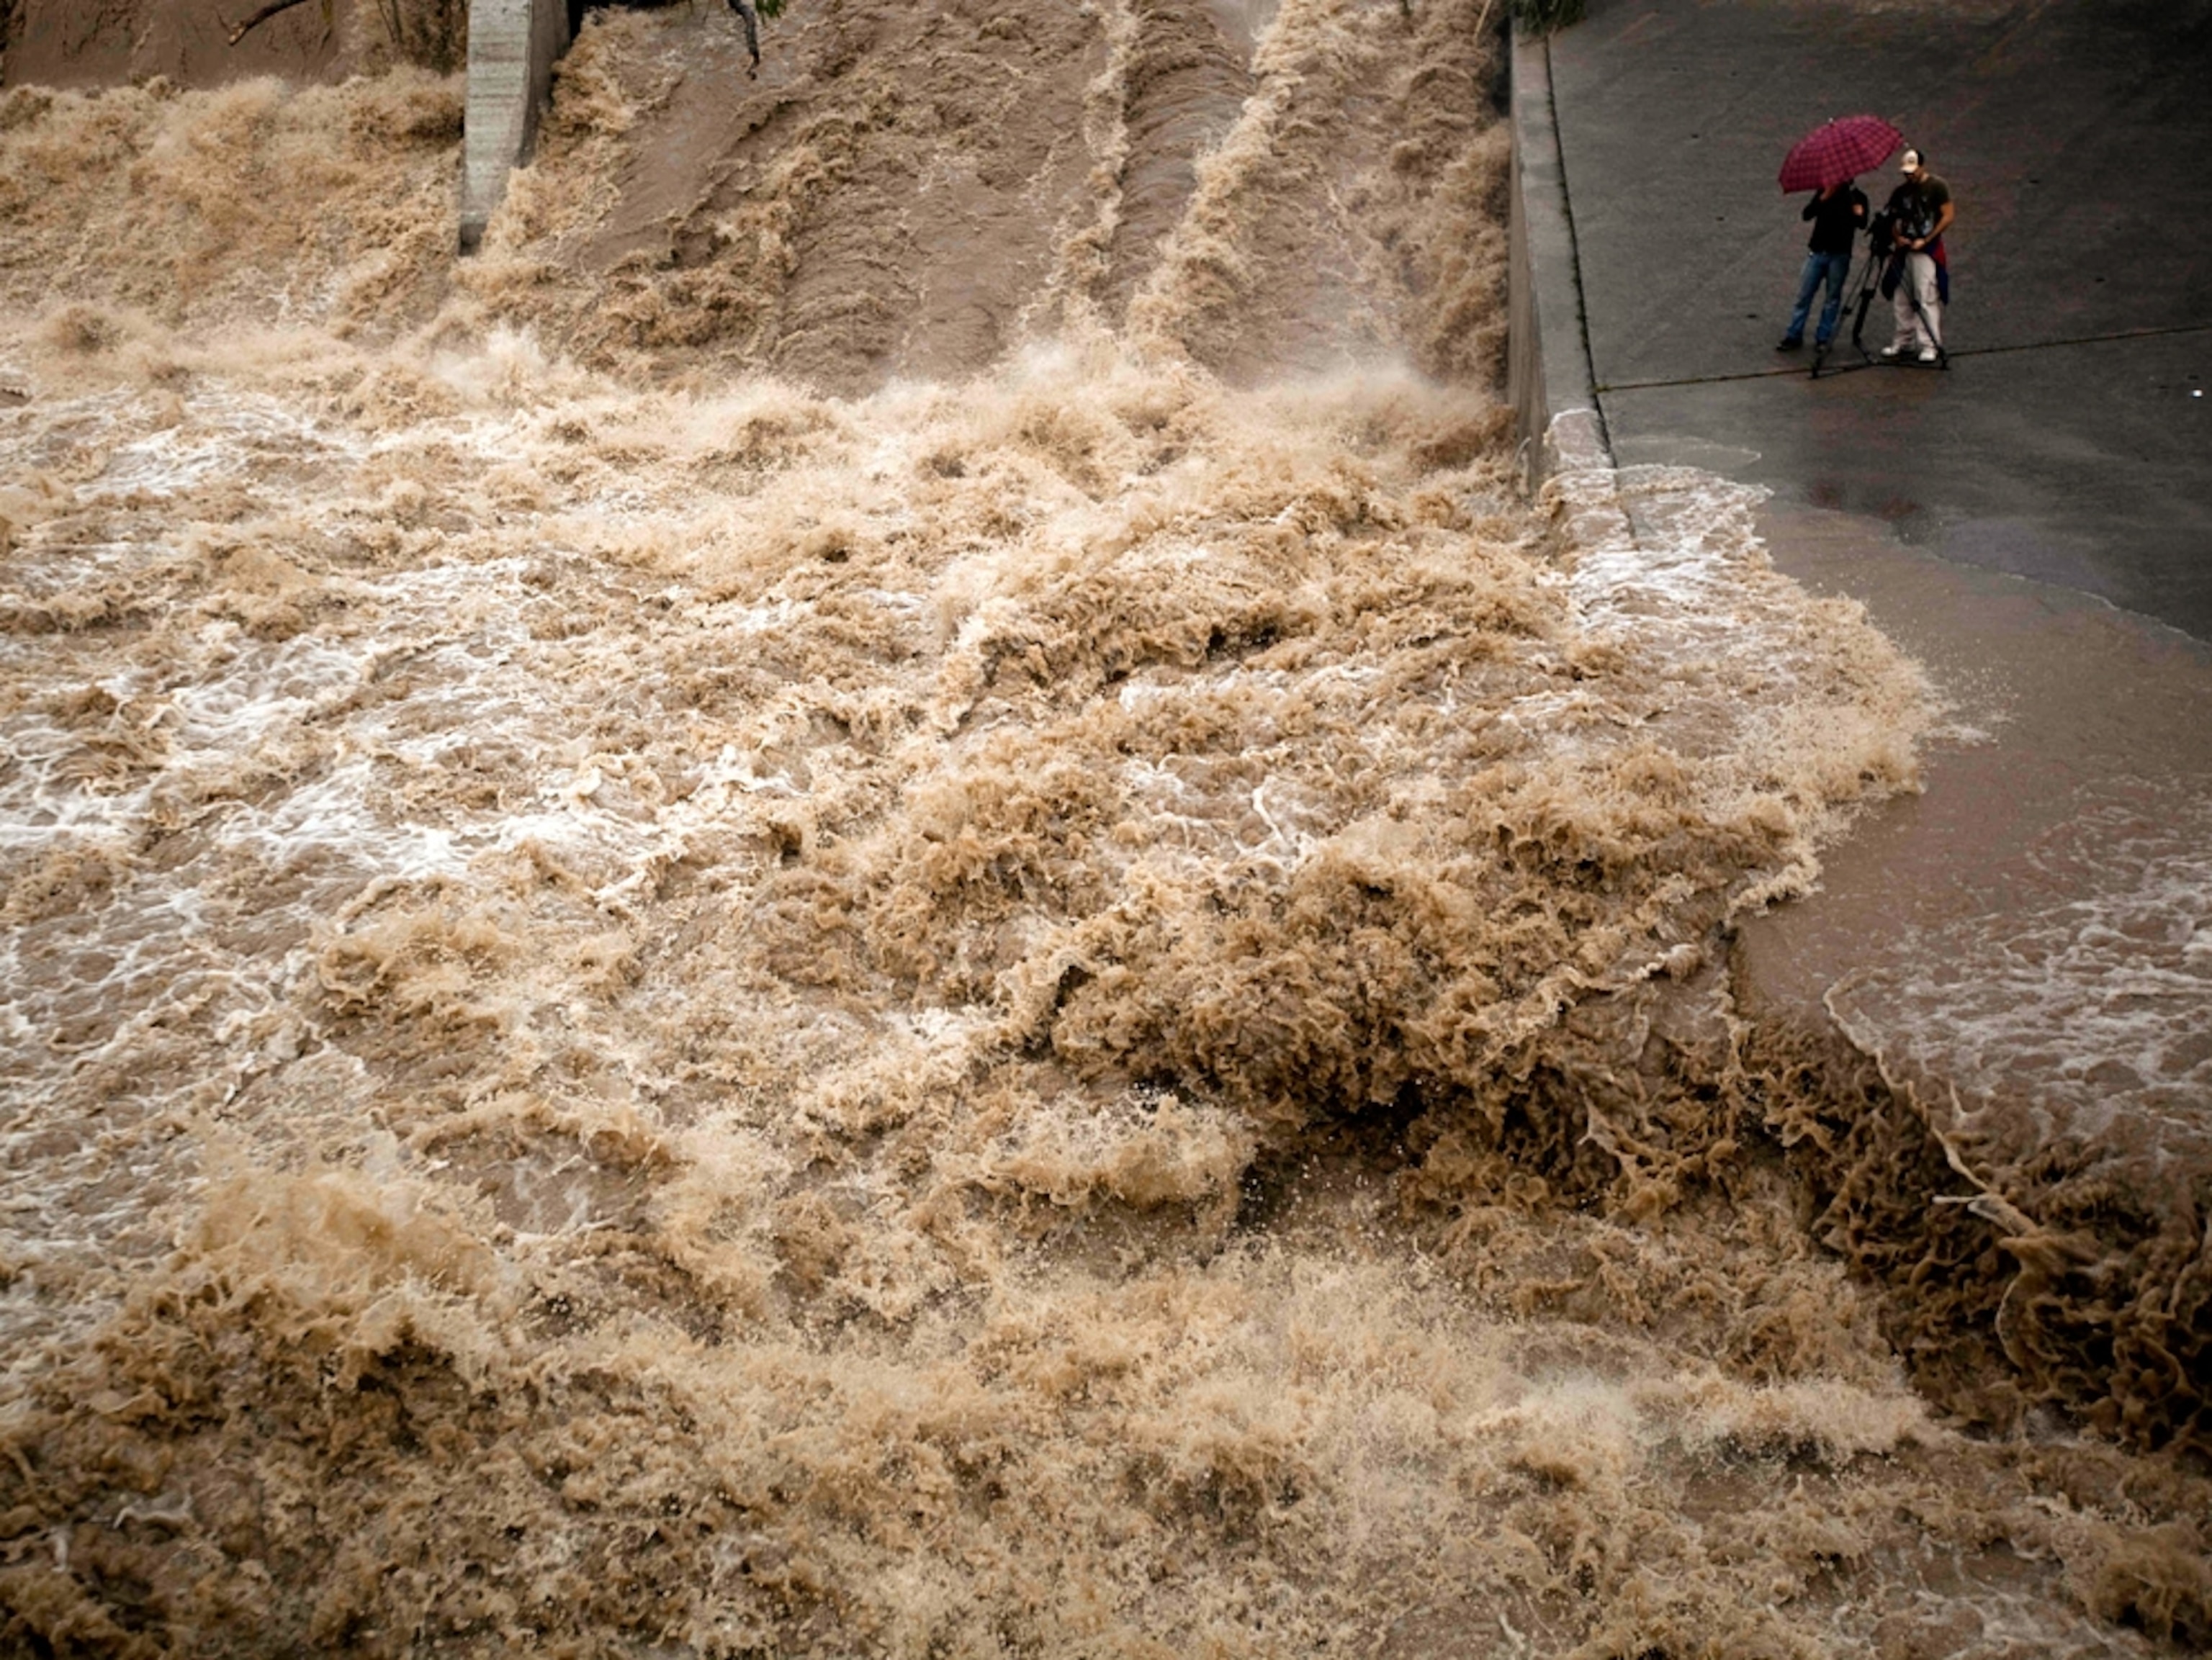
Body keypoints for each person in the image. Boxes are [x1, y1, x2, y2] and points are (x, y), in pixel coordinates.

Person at [1777, 178, 1869, 351]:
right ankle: (1794, 334)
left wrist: (1858, 213)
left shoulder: (1857, 197)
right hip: (1818, 251)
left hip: (1840, 254)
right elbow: (1807, 214)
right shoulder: (1824, 191)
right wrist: (1823, 197)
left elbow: (1862, 224)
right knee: (1804, 295)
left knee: (1832, 298)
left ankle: (1823, 337)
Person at [1881, 148, 1953, 363]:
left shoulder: (1937, 186)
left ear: (1922, 166)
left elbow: (1948, 216)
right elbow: (1890, 217)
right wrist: (1897, 238)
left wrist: (1928, 239)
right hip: (1905, 248)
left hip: (1926, 249)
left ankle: (1930, 343)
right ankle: (1904, 340)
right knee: (1901, 297)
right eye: (1906, 171)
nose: (1909, 175)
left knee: (1925, 295)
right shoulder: (1901, 192)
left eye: (1913, 170)